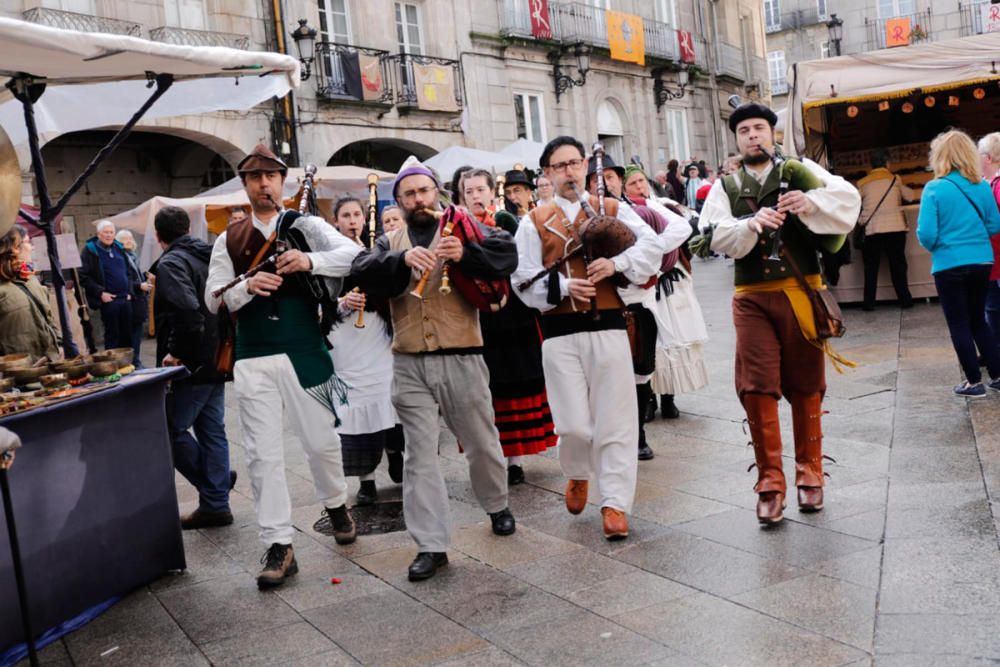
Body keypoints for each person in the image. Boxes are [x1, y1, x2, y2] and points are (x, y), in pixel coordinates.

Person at [351, 156, 518, 581]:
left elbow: (506, 254)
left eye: (424, 190)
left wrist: (466, 254)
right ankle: (431, 544)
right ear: (401, 200)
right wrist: (401, 262)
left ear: (436, 193)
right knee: (418, 457)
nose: (418, 199)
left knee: (481, 443)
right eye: (409, 193)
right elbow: (361, 271)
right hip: (409, 364)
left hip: (462, 354)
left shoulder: (465, 227)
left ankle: (497, 503)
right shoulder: (390, 241)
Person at [205, 144, 363, 589]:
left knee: (320, 443)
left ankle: (336, 505)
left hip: (304, 350)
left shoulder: (306, 224)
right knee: (261, 454)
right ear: (246, 185)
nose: (263, 184)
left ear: (282, 181)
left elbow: (354, 255)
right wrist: (248, 286)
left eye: (270, 177)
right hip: (253, 354)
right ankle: (279, 543)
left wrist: (308, 259)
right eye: (254, 178)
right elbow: (213, 296)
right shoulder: (228, 238)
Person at [702, 101, 860, 524]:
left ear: (772, 134)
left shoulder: (800, 169)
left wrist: (808, 202)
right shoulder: (727, 186)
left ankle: (810, 475)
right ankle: (770, 483)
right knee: (756, 386)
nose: (752, 136)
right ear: (736, 140)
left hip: (800, 292)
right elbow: (708, 236)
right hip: (751, 296)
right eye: (743, 131)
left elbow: (847, 201)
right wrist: (750, 225)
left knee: (808, 382)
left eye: (759, 128)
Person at [513, 136, 661, 540]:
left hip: (611, 326)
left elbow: (652, 248)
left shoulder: (612, 208)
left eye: (574, 163)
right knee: (574, 425)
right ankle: (577, 472)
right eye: (559, 166)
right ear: (547, 174)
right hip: (559, 335)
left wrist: (615, 264)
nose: (569, 172)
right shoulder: (534, 221)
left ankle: (614, 503)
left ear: (584, 167)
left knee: (616, 421)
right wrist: (562, 289)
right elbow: (522, 281)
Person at [461, 170, 557, 484]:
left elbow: (520, 261)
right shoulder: (458, 225)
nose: (475, 196)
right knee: (484, 390)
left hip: (513, 315)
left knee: (514, 383)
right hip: (477, 315)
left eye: (480, 189)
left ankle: (514, 460)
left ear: (491, 193)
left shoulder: (508, 221)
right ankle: (492, 457)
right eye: (469, 190)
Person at [151, 206, 233, 529]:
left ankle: (216, 491)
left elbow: (188, 312)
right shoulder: (210, 254)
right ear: (187, 228)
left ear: (159, 237)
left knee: (170, 429)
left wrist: (176, 353)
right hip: (217, 357)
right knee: (213, 430)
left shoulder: (172, 262)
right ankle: (217, 498)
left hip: (194, 363)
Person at [327, 196, 404, 506]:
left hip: (375, 335)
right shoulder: (327, 258)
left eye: (357, 214)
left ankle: (394, 452)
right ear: (336, 221)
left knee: (386, 396)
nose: (352, 219)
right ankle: (366, 479)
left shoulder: (374, 251)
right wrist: (342, 303)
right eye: (345, 215)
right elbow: (318, 300)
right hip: (345, 340)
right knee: (354, 406)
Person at [622, 166, 709, 424]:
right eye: (633, 183)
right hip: (646, 284)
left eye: (641, 181)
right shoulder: (625, 210)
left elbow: (685, 229)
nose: (639, 186)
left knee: (676, 337)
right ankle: (649, 399)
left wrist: (659, 251)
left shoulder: (662, 204)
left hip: (673, 279)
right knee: (650, 342)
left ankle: (669, 398)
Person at [917, 129, 1000, 396]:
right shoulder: (981, 186)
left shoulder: (934, 188)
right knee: (979, 320)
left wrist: (944, 245)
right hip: (982, 261)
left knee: (959, 323)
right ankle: (997, 376)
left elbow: (927, 234)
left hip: (948, 264)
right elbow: (995, 224)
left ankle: (973, 382)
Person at [856, 148, 916, 311]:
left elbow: (855, 204)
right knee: (898, 266)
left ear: (871, 165)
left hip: (872, 230)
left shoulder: (862, 183)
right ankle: (905, 300)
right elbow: (910, 196)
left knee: (871, 268)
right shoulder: (895, 179)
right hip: (895, 229)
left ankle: (869, 303)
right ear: (887, 162)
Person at [0, 226, 60, 360]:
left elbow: (48, 317)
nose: (32, 247)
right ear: (13, 248)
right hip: (17, 370)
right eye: (27, 242)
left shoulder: (31, 279)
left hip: (49, 363)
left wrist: (59, 344)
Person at [80, 220, 136, 350]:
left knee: (127, 336)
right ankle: (112, 367)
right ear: (98, 234)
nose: (109, 235)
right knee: (113, 336)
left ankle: (129, 365)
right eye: (106, 232)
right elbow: (83, 276)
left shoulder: (119, 248)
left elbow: (129, 272)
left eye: (111, 232)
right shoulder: (90, 250)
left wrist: (130, 292)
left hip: (125, 299)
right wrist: (100, 293)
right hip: (109, 300)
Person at [116, 229, 152, 367]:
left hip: (138, 302)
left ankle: (136, 361)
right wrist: (139, 286)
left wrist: (145, 278)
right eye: (125, 239)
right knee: (130, 335)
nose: (129, 241)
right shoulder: (122, 258)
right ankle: (133, 362)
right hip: (130, 301)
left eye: (130, 238)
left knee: (137, 335)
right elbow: (124, 280)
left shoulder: (133, 256)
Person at [977, 132, 1000, 344]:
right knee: (991, 308)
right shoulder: (986, 184)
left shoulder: (998, 185)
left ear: (989, 158)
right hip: (991, 259)